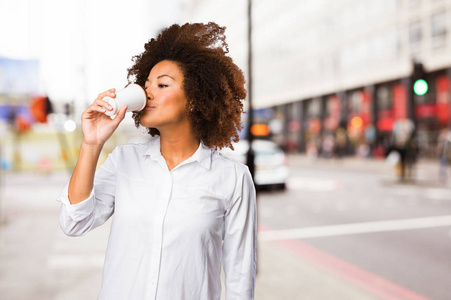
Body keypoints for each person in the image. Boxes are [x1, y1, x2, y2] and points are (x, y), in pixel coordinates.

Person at [57, 22, 257, 300]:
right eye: (146, 84)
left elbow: (240, 279)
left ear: (193, 99)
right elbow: (74, 223)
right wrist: (92, 143)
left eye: (162, 84)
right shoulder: (124, 161)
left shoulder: (232, 178)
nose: (148, 92)